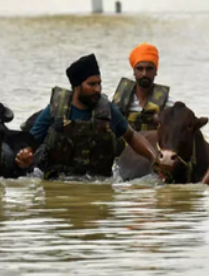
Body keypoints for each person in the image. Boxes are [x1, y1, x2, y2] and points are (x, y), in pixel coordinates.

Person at [15, 53, 163, 179]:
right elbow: (30, 142)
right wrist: (25, 155)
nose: (98, 89)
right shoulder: (56, 109)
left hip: (98, 181)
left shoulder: (107, 109)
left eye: (99, 84)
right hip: (58, 182)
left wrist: (154, 158)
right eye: (91, 84)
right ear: (77, 87)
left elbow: (132, 136)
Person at [111, 42, 175, 132]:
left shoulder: (168, 104)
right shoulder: (116, 99)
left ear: (156, 71)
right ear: (134, 71)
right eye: (140, 69)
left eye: (149, 69)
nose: (144, 74)